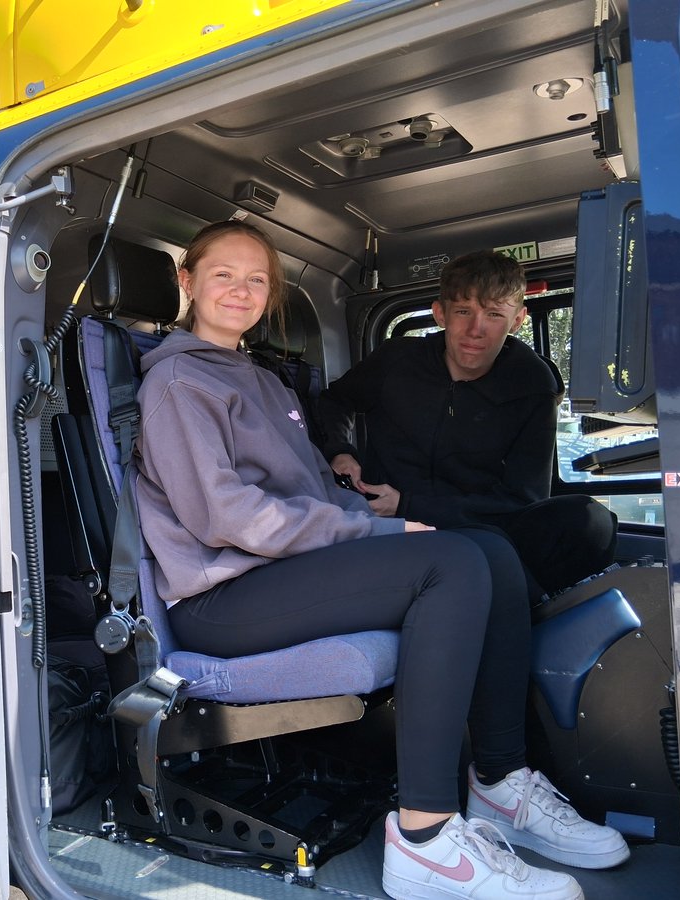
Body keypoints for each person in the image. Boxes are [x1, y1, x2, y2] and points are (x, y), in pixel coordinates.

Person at [134, 221, 628, 900]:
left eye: (256, 280)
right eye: (223, 275)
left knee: (488, 549)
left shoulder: (261, 380)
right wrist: (373, 533)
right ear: (188, 282)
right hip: (221, 600)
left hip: (277, 575)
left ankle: (501, 783)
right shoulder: (180, 382)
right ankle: (424, 839)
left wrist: (381, 520)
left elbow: (310, 492)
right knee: (448, 564)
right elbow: (227, 517)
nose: (241, 291)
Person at [319, 250, 617, 600]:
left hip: (479, 526)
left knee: (589, 521)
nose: (476, 330)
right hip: (385, 524)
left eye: (493, 314)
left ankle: (536, 613)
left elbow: (522, 497)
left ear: (518, 320)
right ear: (440, 313)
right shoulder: (397, 359)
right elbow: (333, 401)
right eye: (463, 311)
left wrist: (409, 504)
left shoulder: (532, 383)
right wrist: (339, 451)